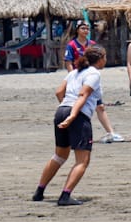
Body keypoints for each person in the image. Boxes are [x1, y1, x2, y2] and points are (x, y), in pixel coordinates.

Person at [32, 45, 107, 206]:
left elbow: (59, 92)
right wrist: (73, 115)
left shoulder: (74, 72)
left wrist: (67, 110)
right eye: (104, 57)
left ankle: (39, 191)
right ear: (100, 59)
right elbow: (83, 94)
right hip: (77, 115)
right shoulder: (94, 73)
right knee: (82, 160)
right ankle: (65, 196)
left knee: (59, 156)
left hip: (61, 110)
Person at [63, 20, 125, 143]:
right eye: (83, 28)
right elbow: (68, 63)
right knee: (77, 106)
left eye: (87, 29)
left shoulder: (92, 45)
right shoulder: (72, 45)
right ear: (77, 30)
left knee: (100, 106)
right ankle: (73, 130)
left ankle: (111, 132)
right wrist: (72, 78)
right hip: (78, 81)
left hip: (90, 80)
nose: (85, 31)